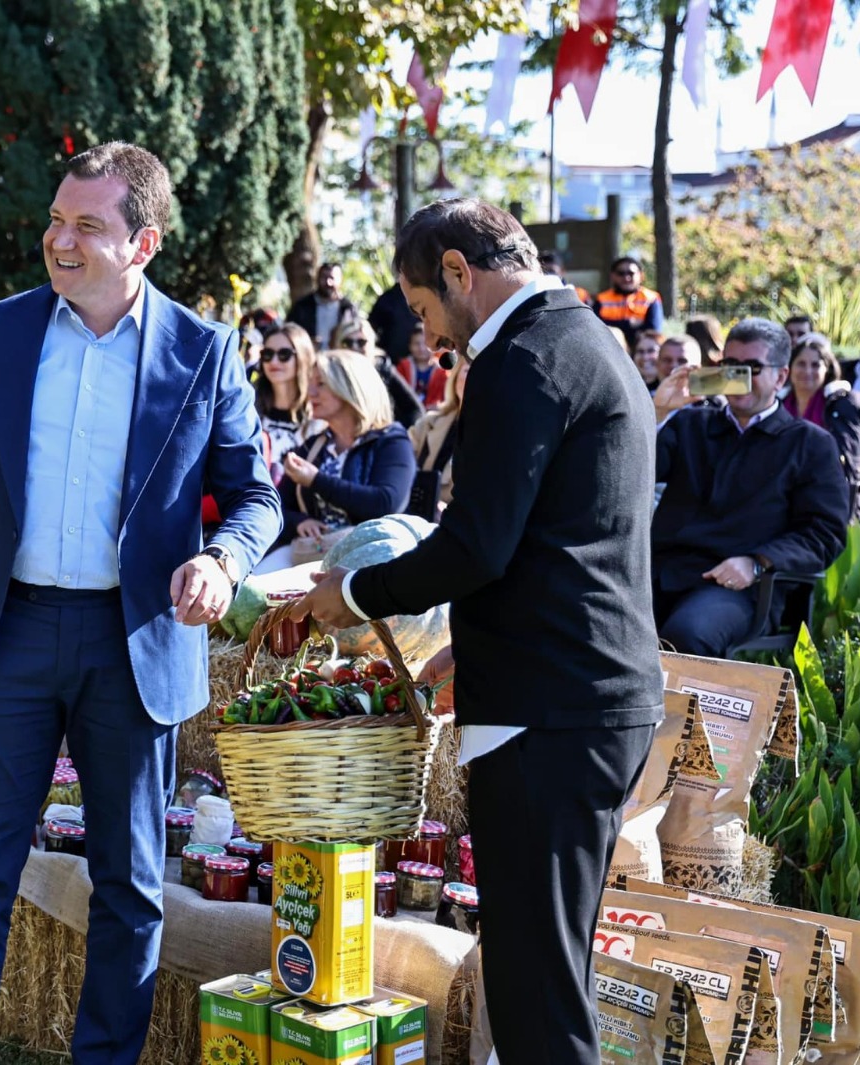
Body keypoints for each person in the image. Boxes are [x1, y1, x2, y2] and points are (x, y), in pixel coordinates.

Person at [0, 141, 280, 1065]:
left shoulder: (203, 349)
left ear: (142, 242)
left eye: (87, 226)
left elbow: (256, 496)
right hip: (7, 634)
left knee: (131, 884)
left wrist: (225, 563)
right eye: (55, 220)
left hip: (135, 642)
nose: (59, 240)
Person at [287, 199, 663, 1065]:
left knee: (537, 997)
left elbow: (477, 542)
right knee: (549, 970)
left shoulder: (522, 357)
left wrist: (358, 590)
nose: (429, 335)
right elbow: (569, 533)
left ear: (460, 271)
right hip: (585, 692)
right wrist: (475, 638)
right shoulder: (588, 338)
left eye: (423, 309)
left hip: (554, 706)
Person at [650, 319, 848, 655]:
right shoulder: (689, 424)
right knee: (590, 620)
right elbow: (626, 472)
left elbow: (825, 532)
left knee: (686, 634)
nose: (737, 377)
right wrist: (658, 411)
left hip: (741, 588)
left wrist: (758, 562)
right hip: (663, 573)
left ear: (780, 376)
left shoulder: (809, 444)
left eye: (751, 368)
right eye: (730, 366)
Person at [254, 349, 416, 574]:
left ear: (350, 388)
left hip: (370, 558)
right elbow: (276, 506)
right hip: (311, 553)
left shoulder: (391, 441)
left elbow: (385, 503)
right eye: (311, 383)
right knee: (252, 589)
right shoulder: (314, 446)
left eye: (321, 384)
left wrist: (316, 480)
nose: (310, 392)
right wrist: (300, 522)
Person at [784, 333, 860, 520]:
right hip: (783, 499)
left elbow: (852, 463)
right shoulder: (776, 406)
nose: (807, 371)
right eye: (801, 364)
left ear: (827, 369)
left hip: (829, 503)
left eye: (816, 365)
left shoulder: (843, 404)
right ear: (789, 369)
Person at [406, 350, 471, 518]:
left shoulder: (494, 434)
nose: (473, 378)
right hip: (410, 515)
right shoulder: (428, 423)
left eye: (480, 372)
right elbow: (400, 463)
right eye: (467, 370)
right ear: (455, 378)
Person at [332, 317, 423, 428]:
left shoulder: (382, 368)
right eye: (348, 343)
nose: (354, 347)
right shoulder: (331, 373)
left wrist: (399, 434)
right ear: (338, 345)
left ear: (371, 344)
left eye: (361, 342)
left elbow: (415, 409)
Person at [253, 322, 315, 482]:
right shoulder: (248, 406)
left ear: (303, 357)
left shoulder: (318, 411)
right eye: (267, 354)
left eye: (284, 354)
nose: (274, 362)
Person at [287, 260, 360, 351]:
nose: (328, 283)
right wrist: (306, 342)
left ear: (340, 280)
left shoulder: (348, 308)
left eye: (332, 278)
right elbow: (289, 332)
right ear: (317, 279)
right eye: (324, 277)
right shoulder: (302, 307)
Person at [595, 256, 664, 350]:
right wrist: (629, 324)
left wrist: (612, 324)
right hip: (609, 348)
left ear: (641, 276)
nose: (626, 278)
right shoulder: (602, 299)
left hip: (640, 350)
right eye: (621, 273)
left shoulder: (651, 298)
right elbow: (596, 326)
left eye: (631, 273)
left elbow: (653, 331)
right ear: (612, 276)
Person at [367, 280, 420, 369]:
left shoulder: (422, 297)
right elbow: (370, 330)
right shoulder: (386, 299)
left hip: (419, 365)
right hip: (391, 364)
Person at [395, 325, 448, 409]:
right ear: (410, 346)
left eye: (425, 344)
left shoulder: (443, 372)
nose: (421, 348)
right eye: (416, 343)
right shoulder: (402, 368)